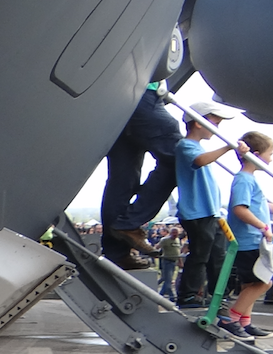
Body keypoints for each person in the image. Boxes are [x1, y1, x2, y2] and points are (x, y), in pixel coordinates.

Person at [102, 84, 182, 268]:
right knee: (181, 159)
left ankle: (117, 253)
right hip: (144, 94)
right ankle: (130, 223)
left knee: (122, 180)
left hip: (116, 99)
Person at [174, 101, 245, 308]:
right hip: (196, 212)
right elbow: (200, 161)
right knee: (200, 255)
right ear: (198, 123)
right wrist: (227, 147)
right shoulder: (186, 145)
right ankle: (187, 295)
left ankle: (217, 294)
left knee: (218, 256)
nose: (217, 129)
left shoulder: (198, 147)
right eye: (215, 123)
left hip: (211, 212)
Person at [218, 131, 273, 339]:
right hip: (249, 240)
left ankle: (245, 322)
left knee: (250, 284)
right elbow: (240, 209)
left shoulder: (248, 179)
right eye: (270, 154)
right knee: (264, 281)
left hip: (250, 240)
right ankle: (230, 319)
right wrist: (263, 227)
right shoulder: (244, 180)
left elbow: (260, 205)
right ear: (257, 154)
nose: (270, 159)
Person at [157, 227, 181, 299]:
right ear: (170, 233)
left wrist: (180, 261)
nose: (175, 234)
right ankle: (172, 296)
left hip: (174, 262)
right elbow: (157, 247)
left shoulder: (177, 240)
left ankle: (160, 293)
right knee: (168, 280)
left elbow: (178, 251)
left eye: (176, 233)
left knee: (165, 278)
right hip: (167, 261)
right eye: (173, 233)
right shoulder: (165, 240)